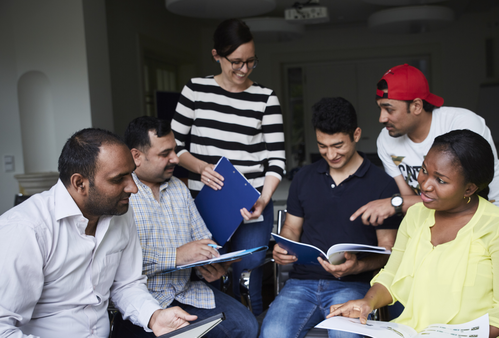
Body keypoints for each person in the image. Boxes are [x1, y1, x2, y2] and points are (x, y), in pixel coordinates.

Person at [329, 129, 499, 338]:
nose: (424, 184)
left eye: (441, 180)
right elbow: (391, 275)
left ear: (469, 189)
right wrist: (367, 302)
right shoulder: (416, 215)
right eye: (424, 170)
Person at [0, 128, 197, 338]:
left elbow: (126, 284)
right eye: (118, 179)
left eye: (131, 174)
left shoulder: (121, 213)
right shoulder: (25, 230)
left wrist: (154, 316)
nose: (133, 188)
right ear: (80, 183)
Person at [260, 97, 403, 338]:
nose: (330, 154)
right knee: (272, 333)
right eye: (322, 146)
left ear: (356, 135)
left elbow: (388, 251)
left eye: (338, 145)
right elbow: (291, 229)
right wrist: (283, 247)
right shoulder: (304, 178)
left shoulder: (382, 185)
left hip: (354, 285)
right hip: (300, 284)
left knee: (345, 336)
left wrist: (357, 266)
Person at [171, 18, 285, 315]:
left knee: (248, 283)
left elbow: (276, 160)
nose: (243, 69)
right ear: (216, 55)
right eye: (235, 62)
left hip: (253, 204)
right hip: (205, 207)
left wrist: (265, 196)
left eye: (250, 61)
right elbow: (174, 149)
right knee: (206, 282)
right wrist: (200, 167)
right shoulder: (195, 91)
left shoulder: (265, 99)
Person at [111, 117, 258, 338]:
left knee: (246, 327)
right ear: (136, 157)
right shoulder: (120, 196)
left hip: (188, 292)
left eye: (175, 150)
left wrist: (210, 263)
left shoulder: (179, 188)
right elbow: (116, 264)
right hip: (146, 301)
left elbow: (203, 238)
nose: (175, 159)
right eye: (165, 154)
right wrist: (178, 256)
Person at [351, 64, 499, 226]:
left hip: (488, 213)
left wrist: (395, 203)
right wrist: (401, 203)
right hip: (437, 213)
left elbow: (464, 199)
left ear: (416, 106)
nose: (382, 118)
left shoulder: (461, 124)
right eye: (380, 108)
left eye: (389, 109)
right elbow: (410, 201)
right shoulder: (386, 140)